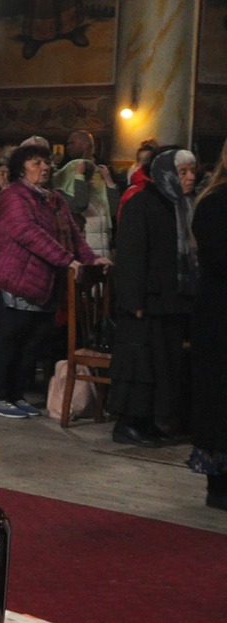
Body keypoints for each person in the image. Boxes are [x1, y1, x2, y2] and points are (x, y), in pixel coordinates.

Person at [0, 144, 99, 419]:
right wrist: (67, 260)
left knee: (31, 344)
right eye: (35, 163)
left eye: (45, 162)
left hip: (39, 283)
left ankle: (15, 394)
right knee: (7, 340)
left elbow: (73, 235)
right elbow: (27, 232)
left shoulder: (55, 199)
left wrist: (92, 259)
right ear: (21, 170)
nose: (44, 167)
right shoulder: (14, 195)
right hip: (7, 279)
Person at [108, 148, 199, 447]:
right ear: (166, 174)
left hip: (170, 300)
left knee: (163, 365)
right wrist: (133, 300)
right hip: (144, 301)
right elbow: (131, 254)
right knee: (140, 364)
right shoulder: (142, 203)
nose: (190, 177)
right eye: (182, 172)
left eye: (192, 171)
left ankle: (150, 421)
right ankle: (128, 423)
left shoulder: (181, 205)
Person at [186, 149, 227, 509]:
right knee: (219, 399)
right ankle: (219, 485)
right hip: (219, 317)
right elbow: (218, 258)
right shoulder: (214, 203)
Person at [54, 129, 113, 258]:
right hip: (83, 236)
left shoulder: (104, 170)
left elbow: (112, 209)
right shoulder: (67, 169)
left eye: (72, 143)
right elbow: (78, 204)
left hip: (99, 237)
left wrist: (109, 182)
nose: (68, 147)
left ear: (85, 145)